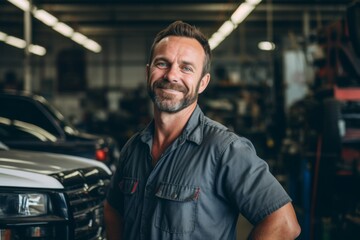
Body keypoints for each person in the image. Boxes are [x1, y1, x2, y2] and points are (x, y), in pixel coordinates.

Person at [104, 20, 301, 240]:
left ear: (203, 83)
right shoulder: (133, 149)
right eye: (162, 64)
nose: (171, 75)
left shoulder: (225, 150)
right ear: (148, 72)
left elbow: (283, 224)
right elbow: (113, 209)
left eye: (186, 68)